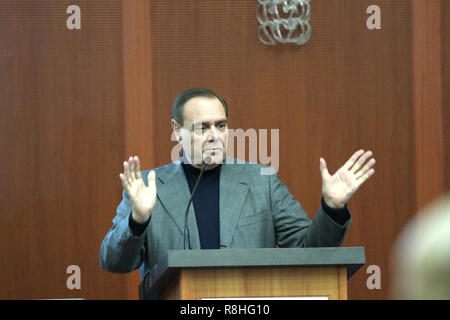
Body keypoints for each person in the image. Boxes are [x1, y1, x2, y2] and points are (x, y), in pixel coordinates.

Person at [99, 88, 376, 278]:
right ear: (176, 130)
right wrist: (138, 218)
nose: (215, 136)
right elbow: (114, 262)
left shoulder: (261, 181)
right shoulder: (148, 188)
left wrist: (332, 207)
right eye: (202, 127)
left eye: (221, 125)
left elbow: (309, 251)